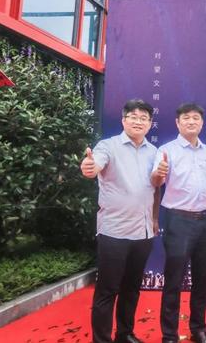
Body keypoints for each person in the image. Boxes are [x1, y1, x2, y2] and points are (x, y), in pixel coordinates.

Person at [80, 99, 159, 343]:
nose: (138, 122)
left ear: (150, 124)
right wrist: (90, 166)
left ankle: (125, 334)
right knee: (107, 290)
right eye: (133, 117)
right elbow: (95, 163)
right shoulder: (108, 146)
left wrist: (154, 220)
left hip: (143, 232)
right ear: (124, 120)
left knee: (131, 289)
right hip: (114, 232)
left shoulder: (154, 152)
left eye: (144, 118)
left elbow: (156, 188)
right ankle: (101, 339)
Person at [150, 103, 206, 343]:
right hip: (178, 220)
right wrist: (159, 173)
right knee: (173, 280)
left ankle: (198, 329)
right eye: (186, 118)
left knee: (202, 279)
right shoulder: (166, 151)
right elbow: (155, 183)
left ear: (202, 123)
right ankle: (169, 334)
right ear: (177, 122)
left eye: (195, 118)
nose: (191, 122)